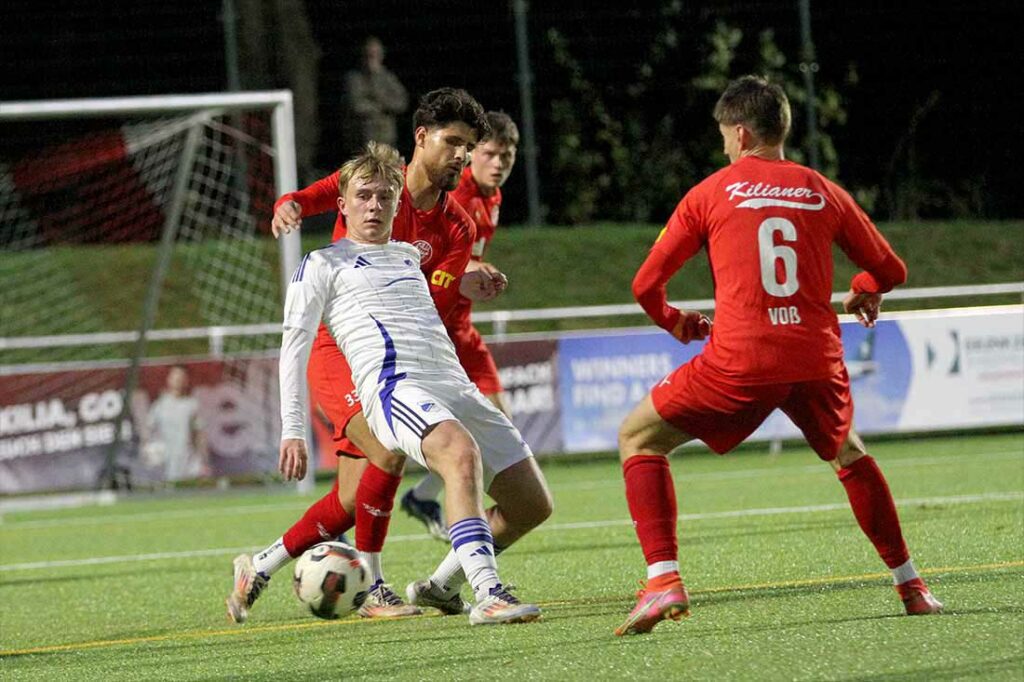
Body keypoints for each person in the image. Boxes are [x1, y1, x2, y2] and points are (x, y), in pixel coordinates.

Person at [614, 75, 942, 636]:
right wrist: (864, 284)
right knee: (849, 453)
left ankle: (663, 579)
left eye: (723, 135)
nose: (723, 145)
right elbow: (892, 270)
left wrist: (678, 323)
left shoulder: (711, 192)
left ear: (740, 133)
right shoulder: (823, 190)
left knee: (638, 437)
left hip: (741, 360)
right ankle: (912, 585)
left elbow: (647, 285)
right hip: (815, 361)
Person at [227, 89, 552, 623]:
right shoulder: (370, 186)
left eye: (470, 148)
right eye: (455, 144)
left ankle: (262, 564)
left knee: (355, 496)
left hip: (419, 357)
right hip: (345, 346)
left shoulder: (454, 226)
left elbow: (433, 299)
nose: (463, 158)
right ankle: (379, 586)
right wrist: (290, 202)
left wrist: (463, 280)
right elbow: (319, 195)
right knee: (392, 452)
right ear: (420, 139)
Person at [400, 111, 520, 540]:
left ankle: (424, 497)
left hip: (461, 328)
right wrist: (471, 267)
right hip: (435, 328)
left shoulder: (493, 198)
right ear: (471, 156)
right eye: (489, 153)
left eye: (507, 155)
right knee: (398, 443)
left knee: (499, 422)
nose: (499, 163)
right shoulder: (456, 196)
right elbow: (438, 255)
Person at [341, 36, 408, 157]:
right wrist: (380, 107)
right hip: (364, 138)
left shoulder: (388, 78)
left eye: (375, 54)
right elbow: (356, 105)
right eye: (369, 54)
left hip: (387, 138)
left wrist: (380, 101)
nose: (371, 58)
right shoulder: (354, 78)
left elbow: (401, 102)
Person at [143, 366, 209, 482]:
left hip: (188, 459)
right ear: (169, 380)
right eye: (175, 377)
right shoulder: (159, 406)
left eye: (181, 377)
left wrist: (203, 460)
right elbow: (148, 430)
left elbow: (199, 434)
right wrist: (148, 450)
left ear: (186, 381)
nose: (178, 380)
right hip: (166, 460)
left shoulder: (192, 405)